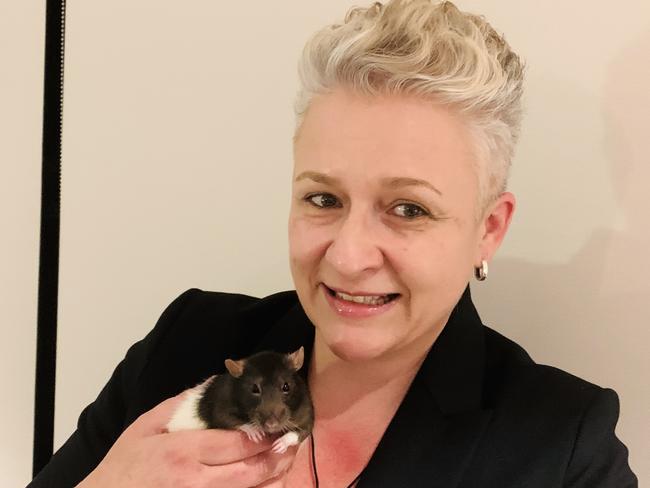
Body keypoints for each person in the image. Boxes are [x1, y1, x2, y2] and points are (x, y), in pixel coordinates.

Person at [29, 1, 637, 487]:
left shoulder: (560, 450)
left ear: (489, 229)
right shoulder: (184, 345)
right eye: (323, 199)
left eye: (408, 209)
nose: (347, 257)